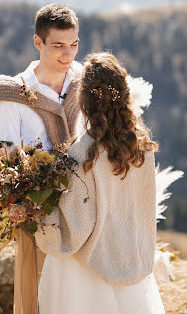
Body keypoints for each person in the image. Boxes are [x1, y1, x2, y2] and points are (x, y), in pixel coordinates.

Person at [35, 52, 165, 314]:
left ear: (84, 100)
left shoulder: (82, 153)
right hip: (129, 257)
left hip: (85, 269)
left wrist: (42, 217)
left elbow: (76, 227)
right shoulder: (143, 148)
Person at [0, 3, 83, 309]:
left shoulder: (84, 79)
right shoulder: (11, 95)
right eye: (58, 46)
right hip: (41, 212)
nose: (68, 55)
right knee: (43, 297)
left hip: (87, 206)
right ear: (37, 42)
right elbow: (9, 164)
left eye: (74, 45)